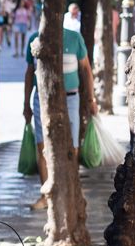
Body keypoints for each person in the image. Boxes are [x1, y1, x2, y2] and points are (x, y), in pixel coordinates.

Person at [23, 14, 94, 210]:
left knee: (72, 147)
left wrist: (90, 98)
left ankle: (71, 191)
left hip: (71, 97)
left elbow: (86, 69)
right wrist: (26, 103)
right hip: (42, 98)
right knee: (42, 146)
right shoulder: (34, 39)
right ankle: (46, 196)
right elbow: (29, 73)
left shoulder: (74, 38)